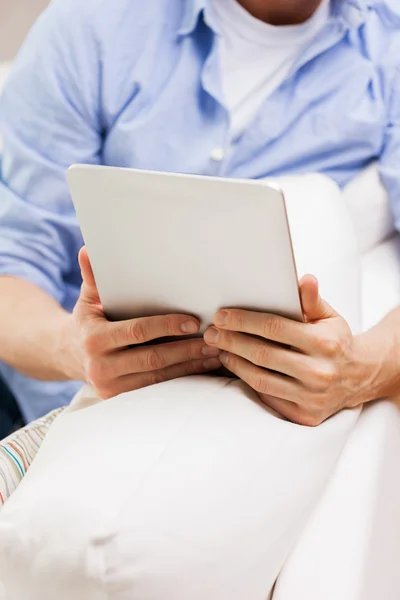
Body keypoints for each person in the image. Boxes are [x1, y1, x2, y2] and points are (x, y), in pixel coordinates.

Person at [0, 0, 400, 431]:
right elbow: (13, 267)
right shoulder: (91, 25)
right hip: (53, 407)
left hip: (243, 421)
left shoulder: (387, 46)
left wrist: (361, 370)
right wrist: (76, 350)